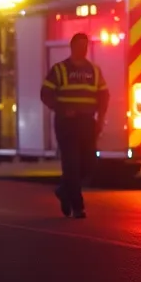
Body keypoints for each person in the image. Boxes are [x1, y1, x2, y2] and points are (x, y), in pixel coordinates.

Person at [40, 33, 109, 219]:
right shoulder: (60, 69)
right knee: (71, 165)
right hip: (67, 123)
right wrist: (61, 109)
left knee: (89, 164)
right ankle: (78, 207)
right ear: (72, 47)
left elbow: (104, 95)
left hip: (87, 122)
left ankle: (63, 190)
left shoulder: (94, 70)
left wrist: (101, 118)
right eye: (80, 46)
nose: (83, 50)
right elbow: (46, 93)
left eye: (86, 46)